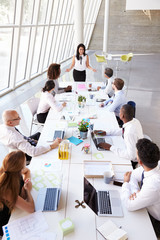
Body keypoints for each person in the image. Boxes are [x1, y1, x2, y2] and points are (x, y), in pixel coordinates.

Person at [121, 138, 160, 237]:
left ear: (140, 162)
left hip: (155, 220)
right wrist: (136, 191)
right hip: (148, 203)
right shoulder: (155, 165)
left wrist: (125, 184)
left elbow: (129, 205)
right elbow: (133, 175)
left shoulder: (153, 185)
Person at [95, 104, 144, 168]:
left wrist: (110, 147)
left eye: (120, 112)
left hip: (133, 161)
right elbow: (123, 130)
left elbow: (131, 156)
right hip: (132, 149)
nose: (119, 113)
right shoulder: (135, 121)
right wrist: (106, 133)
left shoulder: (129, 133)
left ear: (122, 116)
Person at [0, 151, 35, 236]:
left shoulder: (10, 170)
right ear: (19, 168)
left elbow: (27, 171)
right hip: (6, 222)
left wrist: (26, 180)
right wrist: (27, 190)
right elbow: (31, 209)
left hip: (13, 210)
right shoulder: (6, 190)